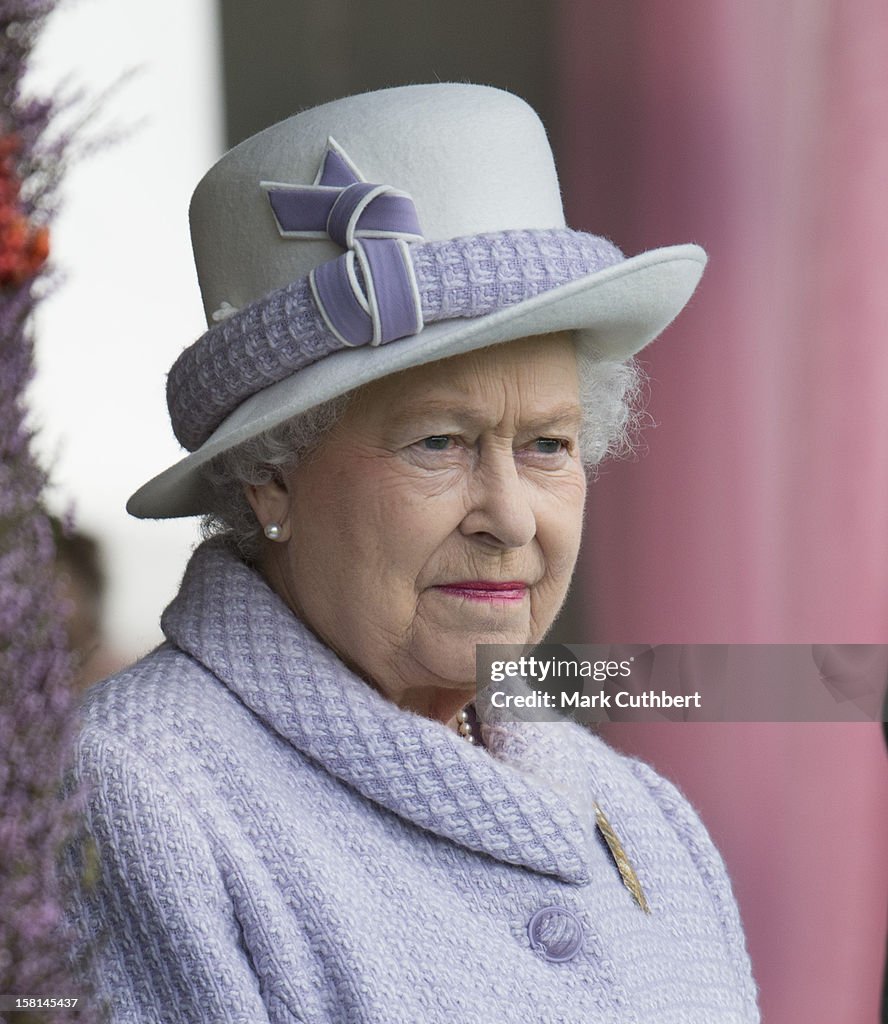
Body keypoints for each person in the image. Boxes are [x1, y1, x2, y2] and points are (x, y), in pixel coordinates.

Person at [63, 84, 759, 1023]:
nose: (511, 519)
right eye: (440, 443)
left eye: (548, 445)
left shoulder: (644, 816)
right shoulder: (136, 799)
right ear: (271, 478)